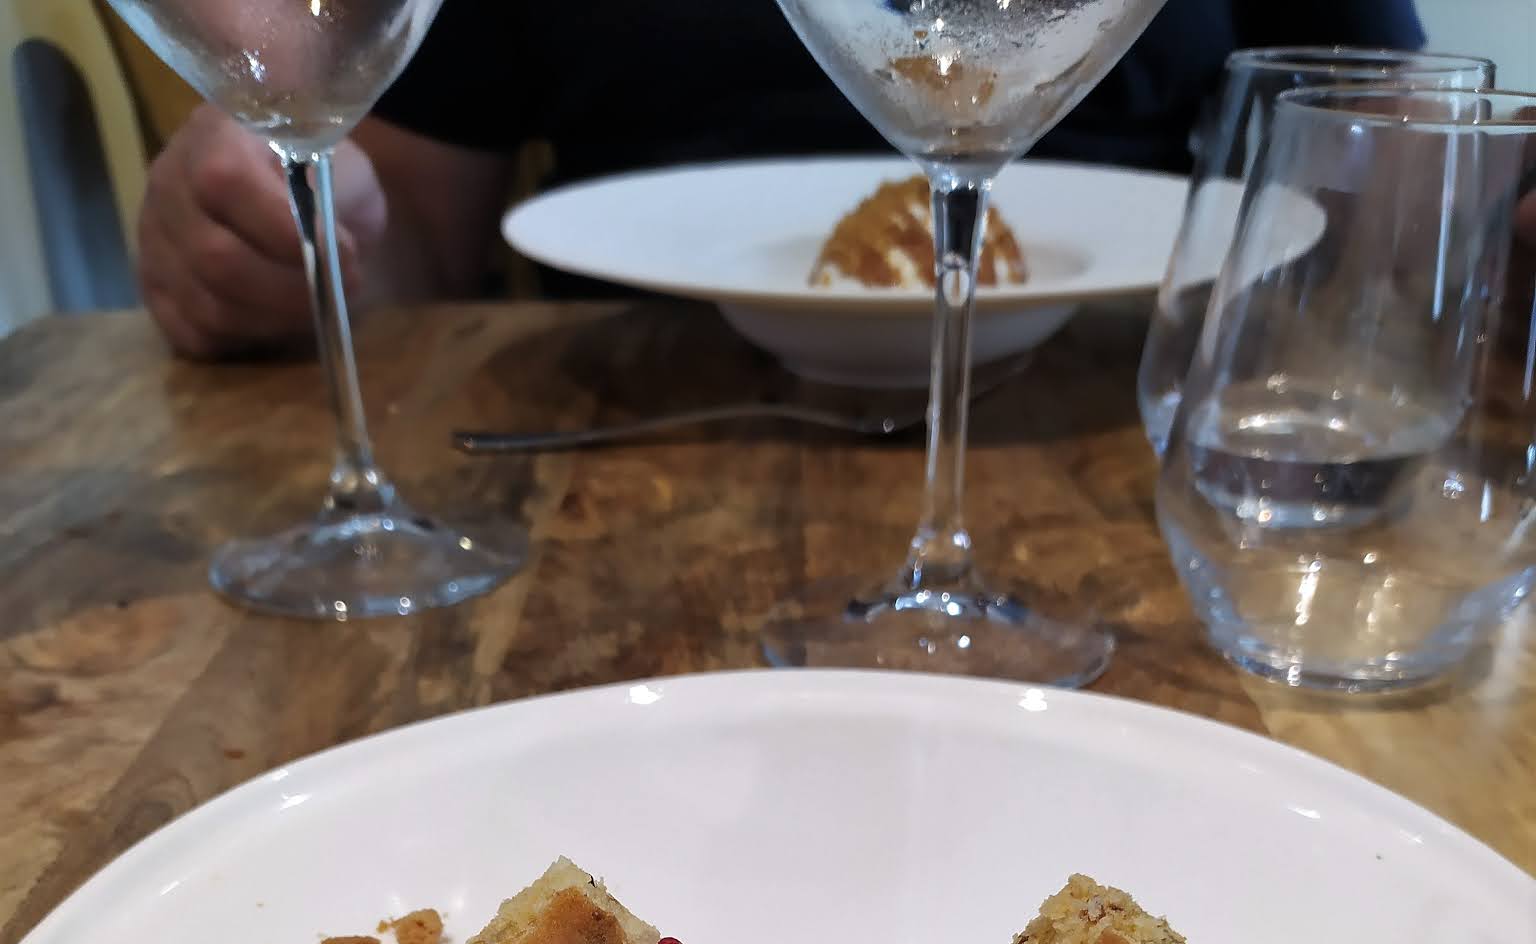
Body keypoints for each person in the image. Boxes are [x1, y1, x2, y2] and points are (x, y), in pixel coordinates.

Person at [138, 0, 1428, 359]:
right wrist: (288, 223)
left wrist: (1484, 230)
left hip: (1139, 418)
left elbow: (1392, 142)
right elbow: (415, 219)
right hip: (608, 444)